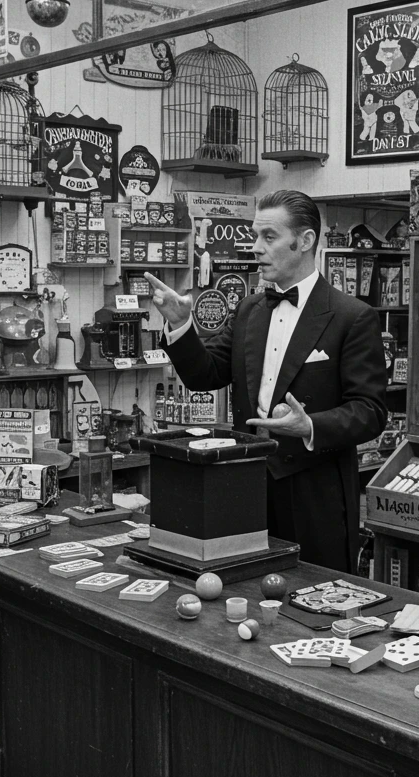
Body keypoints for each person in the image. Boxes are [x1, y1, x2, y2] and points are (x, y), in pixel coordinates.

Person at [146, 190, 387, 571]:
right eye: (255, 236)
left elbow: (370, 411)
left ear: (305, 241)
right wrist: (180, 326)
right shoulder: (249, 310)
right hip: (244, 481)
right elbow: (204, 375)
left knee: (315, 596)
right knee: (242, 585)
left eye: (268, 237)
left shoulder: (352, 316)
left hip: (314, 490)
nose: (255, 248)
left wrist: (310, 425)